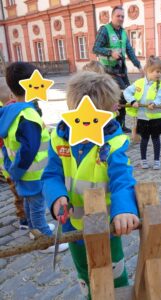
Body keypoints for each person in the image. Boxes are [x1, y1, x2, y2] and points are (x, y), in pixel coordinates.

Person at [42, 71, 139, 298]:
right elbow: (51, 175)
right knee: (84, 274)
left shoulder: (113, 143)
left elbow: (122, 179)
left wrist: (124, 208)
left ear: (112, 112)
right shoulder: (59, 138)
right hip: (72, 226)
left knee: (114, 274)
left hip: (106, 227)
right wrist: (57, 197)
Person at [0, 62, 68, 253]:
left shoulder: (12, 111)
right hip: (33, 173)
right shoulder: (28, 116)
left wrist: (12, 169)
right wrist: (17, 171)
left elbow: (10, 146)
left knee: (30, 204)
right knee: (37, 206)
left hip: (22, 171)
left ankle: (34, 230)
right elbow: (29, 149)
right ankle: (44, 240)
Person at [93, 5, 144, 133]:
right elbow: (95, 48)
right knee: (118, 96)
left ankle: (121, 124)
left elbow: (129, 50)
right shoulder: (104, 30)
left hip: (121, 71)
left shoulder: (123, 32)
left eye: (122, 16)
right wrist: (110, 52)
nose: (120, 18)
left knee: (125, 96)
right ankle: (112, 125)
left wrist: (138, 65)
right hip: (108, 72)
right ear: (112, 17)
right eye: (118, 16)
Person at [124, 56, 161, 170]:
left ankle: (157, 160)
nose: (159, 74)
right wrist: (132, 101)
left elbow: (160, 97)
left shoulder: (160, 85)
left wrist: (155, 103)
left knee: (156, 139)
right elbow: (127, 92)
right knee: (144, 139)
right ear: (148, 70)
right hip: (142, 117)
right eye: (157, 71)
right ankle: (143, 160)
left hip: (155, 117)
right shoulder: (139, 83)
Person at [0, 78, 28, 229]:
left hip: (8, 166)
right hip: (16, 165)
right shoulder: (17, 114)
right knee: (22, 194)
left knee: (18, 193)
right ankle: (25, 220)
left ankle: (23, 219)